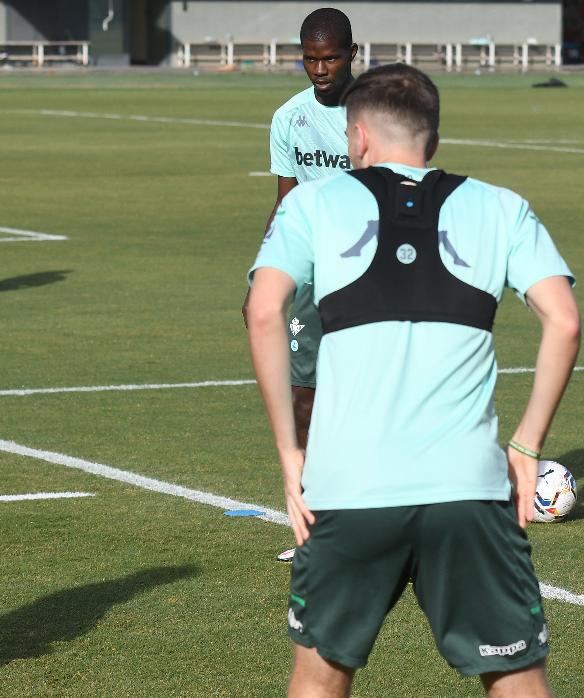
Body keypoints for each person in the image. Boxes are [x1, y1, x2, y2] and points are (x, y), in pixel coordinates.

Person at [246, 64, 579, 697]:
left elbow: (264, 310)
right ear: (430, 137)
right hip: (468, 488)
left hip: (347, 487)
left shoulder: (312, 202)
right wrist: (528, 446)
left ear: (360, 136)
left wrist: (292, 453)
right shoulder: (501, 205)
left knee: (320, 678)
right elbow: (562, 322)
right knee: (515, 678)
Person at [259, 7, 357, 563]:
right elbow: (283, 205)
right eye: (311, 58)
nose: (320, 69)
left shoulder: (374, 112)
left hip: (369, 271)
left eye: (331, 57)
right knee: (304, 394)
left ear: (352, 53)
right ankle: (315, 519)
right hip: (310, 274)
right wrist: (264, 278)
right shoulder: (287, 119)